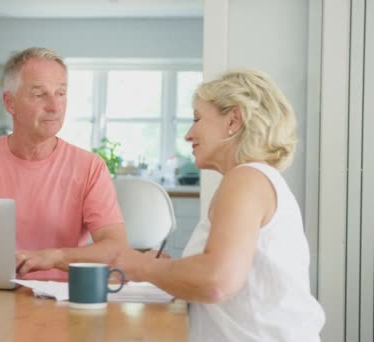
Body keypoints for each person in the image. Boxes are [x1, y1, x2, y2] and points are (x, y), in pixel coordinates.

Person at [111, 69, 325, 341]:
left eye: (197, 119)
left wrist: (139, 266)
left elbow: (217, 280)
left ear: (233, 120)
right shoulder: (253, 180)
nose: (189, 135)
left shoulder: (246, 179)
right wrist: (174, 270)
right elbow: (230, 279)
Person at [0, 47, 127, 280]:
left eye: (60, 93)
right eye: (39, 95)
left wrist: (54, 257)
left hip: (61, 305)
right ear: (10, 103)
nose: (54, 107)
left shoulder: (90, 168)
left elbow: (115, 248)